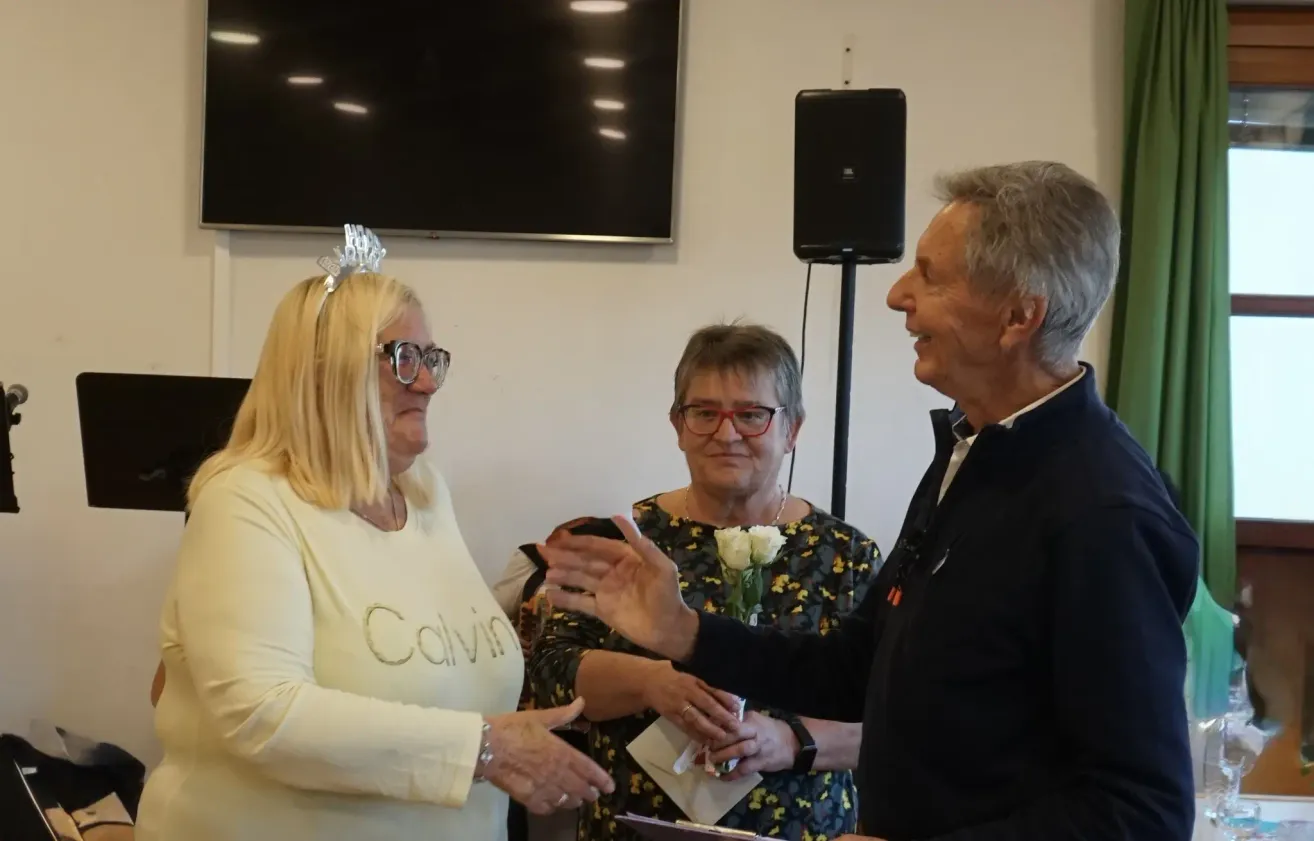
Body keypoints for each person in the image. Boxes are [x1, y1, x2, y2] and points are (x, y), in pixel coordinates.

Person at [539, 163, 1200, 841]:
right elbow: (859, 669)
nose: (897, 295)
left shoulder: (1103, 511)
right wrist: (685, 633)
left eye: (930, 274)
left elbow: (1140, 810)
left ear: (1018, 316)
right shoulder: (973, 453)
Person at [136, 227, 612, 841]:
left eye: (431, 358)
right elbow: (263, 714)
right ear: (324, 374)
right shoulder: (245, 500)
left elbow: (445, 670)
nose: (429, 383)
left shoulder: (426, 495)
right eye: (402, 358)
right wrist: (485, 748)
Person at [529, 324, 881, 841]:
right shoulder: (625, 540)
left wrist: (790, 741)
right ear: (677, 424)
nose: (726, 433)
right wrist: (651, 683)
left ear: (793, 428)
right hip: (636, 827)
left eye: (751, 414)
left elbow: (898, 715)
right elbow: (550, 673)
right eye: (704, 413)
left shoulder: (847, 555)